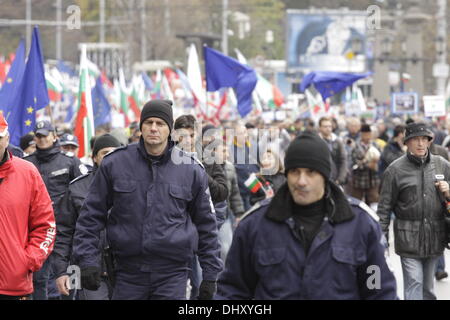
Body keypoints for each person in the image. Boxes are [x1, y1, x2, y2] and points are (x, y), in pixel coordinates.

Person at [217, 131, 397, 299]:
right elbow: (233, 290)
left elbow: (379, 291)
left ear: (325, 176)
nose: (301, 181)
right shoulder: (255, 224)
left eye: (310, 172)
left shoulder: (361, 224)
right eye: (295, 172)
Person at [73, 100, 222, 300]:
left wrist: (211, 274)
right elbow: (90, 216)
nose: (153, 128)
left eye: (160, 124)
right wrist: (88, 260)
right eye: (149, 122)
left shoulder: (191, 169)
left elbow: (206, 225)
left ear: (170, 129)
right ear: (141, 126)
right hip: (127, 273)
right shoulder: (115, 164)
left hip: (173, 273)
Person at [377, 122, 450, 300]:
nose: (420, 144)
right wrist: (381, 240)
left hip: (435, 237)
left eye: (424, 140)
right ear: (406, 143)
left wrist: (448, 191)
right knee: (414, 283)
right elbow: (384, 208)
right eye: (415, 140)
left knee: (428, 289)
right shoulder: (394, 170)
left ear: (429, 142)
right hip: (408, 239)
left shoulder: (442, 165)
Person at [24, 120, 88, 300]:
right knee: (38, 278)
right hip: (38, 230)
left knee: (70, 277)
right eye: (38, 136)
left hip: (66, 230)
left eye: (45, 135)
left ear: (54, 136)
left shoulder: (70, 162)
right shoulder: (26, 164)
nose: (42, 139)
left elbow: (84, 192)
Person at [53, 134, 121, 300]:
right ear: (95, 158)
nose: (110, 158)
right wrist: (62, 271)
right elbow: (65, 232)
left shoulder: (133, 186)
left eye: (115, 153)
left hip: (126, 271)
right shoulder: (77, 189)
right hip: (89, 270)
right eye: (105, 153)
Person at [0, 113, 56, 300]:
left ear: (7, 138)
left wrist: (27, 260)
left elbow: (46, 225)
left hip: (13, 286)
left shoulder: (27, 172)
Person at [350, 124, 381, 206]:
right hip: (359, 180)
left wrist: (375, 164)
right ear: (361, 135)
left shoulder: (376, 145)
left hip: (373, 179)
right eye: (366, 135)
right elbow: (353, 162)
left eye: (369, 134)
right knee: (356, 202)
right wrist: (368, 165)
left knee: (374, 202)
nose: (368, 137)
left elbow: (381, 160)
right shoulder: (355, 146)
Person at [318, 116, 348, 186]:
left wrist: (340, 179)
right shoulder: (317, 141)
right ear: (320, 128)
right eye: (325, 126)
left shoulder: (337, 141)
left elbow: (343, 160)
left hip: (336, 178)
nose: (328, 129)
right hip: (322, 178)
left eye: (329, 126)